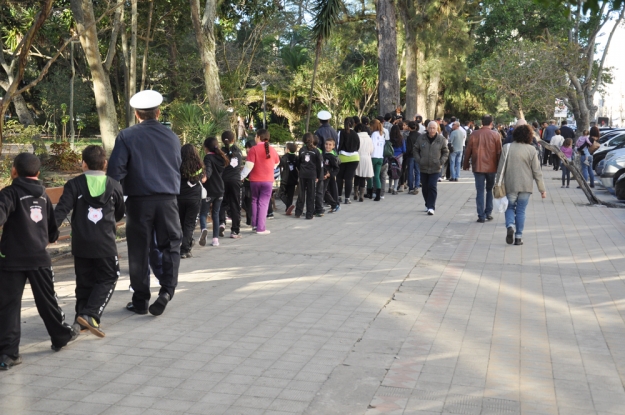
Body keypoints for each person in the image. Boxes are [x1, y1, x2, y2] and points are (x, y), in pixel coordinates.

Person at [0, 153, 79, 369]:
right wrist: (49, 236)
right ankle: (60, 336)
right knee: (46, 300)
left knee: (8, 305)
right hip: (39, 258)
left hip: (11, 260)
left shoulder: (9, 193)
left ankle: (9, 353)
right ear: (37, 173)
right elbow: (52, 230)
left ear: (14, 171)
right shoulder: (43, 196)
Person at [108, 90, 182, 317]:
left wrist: (115, 205)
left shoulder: (126, 136)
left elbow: (114, 173)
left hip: (139, 202)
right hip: (168, 201)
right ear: (158, 113)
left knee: (139, 250)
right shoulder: (172, 137)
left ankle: (140, 300)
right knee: (171, 246)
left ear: (136, 114)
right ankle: (167, 291)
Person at [54, 145, 125, 337]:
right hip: (105, 243)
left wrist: (48, 232)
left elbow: (61, 210)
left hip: (81, 243)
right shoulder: (114, 185)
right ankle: (91, 315)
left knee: (84, 281)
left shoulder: (74, 185)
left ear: (83, 163)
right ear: (105, 164)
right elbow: (120, 212)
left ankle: (81, 320)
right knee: (110, 276)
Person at [496, 124, 546, 246]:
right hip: (526, 185)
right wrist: (542, 189)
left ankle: (510, 226)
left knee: (510, 207)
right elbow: (537, 171)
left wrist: (497, 183)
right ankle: (518, 237)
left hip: (510, 184)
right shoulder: (532, 150)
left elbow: (500, 168)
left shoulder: (507, 147)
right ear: (529, 136)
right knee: (521, 211)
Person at [463, 115, 502, 223]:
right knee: (489, 190)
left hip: (478, 166)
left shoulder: (474, 134)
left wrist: (465, 164)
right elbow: (499, 152)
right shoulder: (496, 135)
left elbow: (468, 150)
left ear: (481, 122)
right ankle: (488, 212)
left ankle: (481, 215)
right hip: (492, 167)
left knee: (480, 191)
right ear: (491, 123)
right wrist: (500, 167)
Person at [240, 129, 280, 234]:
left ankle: (255, 224)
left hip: (255, 180)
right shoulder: (272, 149)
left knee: (254, 200)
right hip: (267, 180)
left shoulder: (253, 149)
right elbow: (277, 162)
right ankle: (261, 228)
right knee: (263, 203)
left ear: (258, 137)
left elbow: (248, 166)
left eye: (255, 136)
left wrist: (241, 176)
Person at [175, 144, 204, 258]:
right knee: (190, 224)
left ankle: (186, 243)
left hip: (180, 198)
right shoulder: (199, 166)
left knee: (183, 223)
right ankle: (185, 249)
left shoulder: (178, 165)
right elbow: (201, 178)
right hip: (194, 198)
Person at [414, 121, 449, 215]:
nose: (432, 130)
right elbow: (415, 149)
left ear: (437, 128)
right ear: (427, 128)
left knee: (432, 186)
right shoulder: (421, 138)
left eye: (434, 128)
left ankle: (431, 207)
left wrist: (440, 161)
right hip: (423, 166)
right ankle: (427, 203)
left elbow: (446, 152)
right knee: (425, 187)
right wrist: (419, 160)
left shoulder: (441, 139)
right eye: (430, 128)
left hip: (435, 167)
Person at [199, 137, 227, 247]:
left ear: (206, 148)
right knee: (215, 213)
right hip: (220, 189)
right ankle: (215, 239)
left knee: (203, 213)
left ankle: (204, 230)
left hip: (209, 190)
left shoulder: (208, 158)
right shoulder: (221, 157)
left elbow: (209, 170)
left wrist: (204, 178)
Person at [219, 131, 243, 239]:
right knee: (235, 205)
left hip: (222, 180)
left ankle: (221, 223)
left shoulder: (219, 152)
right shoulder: (238, 151)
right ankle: (235, 231)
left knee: (221, 203)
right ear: (233, 140)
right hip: (235, 181)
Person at [294, 133, 322, 219]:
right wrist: (318, 175)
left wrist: (301, 170)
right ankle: (309, 214)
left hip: (302, 174)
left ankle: (298, 212)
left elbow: (298, 163)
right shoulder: (316, 151)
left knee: (301, 193)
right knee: (311, 194)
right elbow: (319, 165)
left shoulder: (301, 150)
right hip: (312, 175)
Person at [336, 118, 360, 203]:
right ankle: (347, 198)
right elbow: (358, 146)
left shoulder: (340, 132)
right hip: (354, 158)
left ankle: (339, 197)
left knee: (339, 178)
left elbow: (338, 144)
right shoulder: (356, 134)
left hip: (342, 157)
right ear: (354, 124)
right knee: (349, 179)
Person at [353, 123, 373, 202]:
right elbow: (372, 150)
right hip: (367, 158)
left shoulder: (356, 136)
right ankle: (362, 195)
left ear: (358, 129)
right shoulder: (369, 138)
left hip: (358, 157)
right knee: (363, 177)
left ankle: (355, 193)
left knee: (357, 175)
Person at [368, 119, 386, 201]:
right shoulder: (382, 134)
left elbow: (372, 146)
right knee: (377, 176)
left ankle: (370, 193)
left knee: (370, 175)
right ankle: (378, 195)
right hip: (380, 157)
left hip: (373, 156)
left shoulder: (374, 134)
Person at [280, 142, 299, 215]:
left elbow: (280, 164)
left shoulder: (285, 157)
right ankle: (288, 208)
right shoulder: (296, 157)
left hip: (285, 179)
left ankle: (288, 205)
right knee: (290, 195)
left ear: (288, 149)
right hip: (294, 178)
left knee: (281, 193)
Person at [323, 138, 341, 212]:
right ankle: (333, 205)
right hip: (324, 176)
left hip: (330, 176)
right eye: (326, 144)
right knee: (325, 191)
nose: (328, 146)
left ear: (333, 146)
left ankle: (335, 205)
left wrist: (330, 174)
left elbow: (337, 168)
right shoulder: (323, 154)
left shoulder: (332, 156)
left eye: (330, 145)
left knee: (332, 191)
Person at [389, 123, 406, 194]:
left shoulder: (389, 139)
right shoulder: (401, 139)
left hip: (390, 156)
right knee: (397, 171)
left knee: (390, 171)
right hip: (399, 157)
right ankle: (395, 188)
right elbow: (404, 149)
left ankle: (390, 187)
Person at [405, 121, 421, 194]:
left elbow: (408, 148)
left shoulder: (409, 137)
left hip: (410, 156)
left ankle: (411, 188)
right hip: (418, 155)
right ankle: (417, 186)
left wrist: (406, 155)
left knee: (410, 172)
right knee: (417, 171)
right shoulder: (420, 135)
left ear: (409, 128)